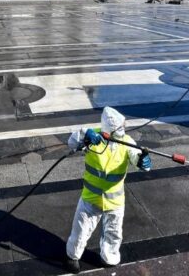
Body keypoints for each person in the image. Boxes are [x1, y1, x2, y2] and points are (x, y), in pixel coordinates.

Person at [64, 107, 152, 273]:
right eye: (120, 127)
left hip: (115, 201)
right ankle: (72, 256)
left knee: (113, 233)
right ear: (110, 129)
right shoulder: (92, 136)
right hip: (90, 198)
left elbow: (136, 155)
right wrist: (84, 135)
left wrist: (142, 160)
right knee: (80, 230)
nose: (123, 129)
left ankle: (109, 257)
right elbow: (72, 142)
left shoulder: (126, 142)